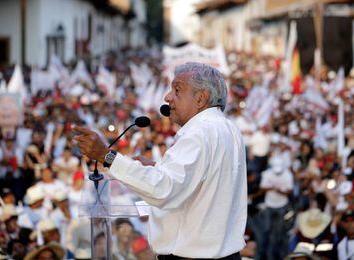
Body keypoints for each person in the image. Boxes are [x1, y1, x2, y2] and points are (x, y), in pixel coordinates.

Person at [74, 62, 247, 259]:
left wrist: (106, 157)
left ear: (201, 98)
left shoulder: (198, 132)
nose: (167, 97)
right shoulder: (228, 128)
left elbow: (163, 189)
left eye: (177, 90)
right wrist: (159, 168)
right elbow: (202, 180)